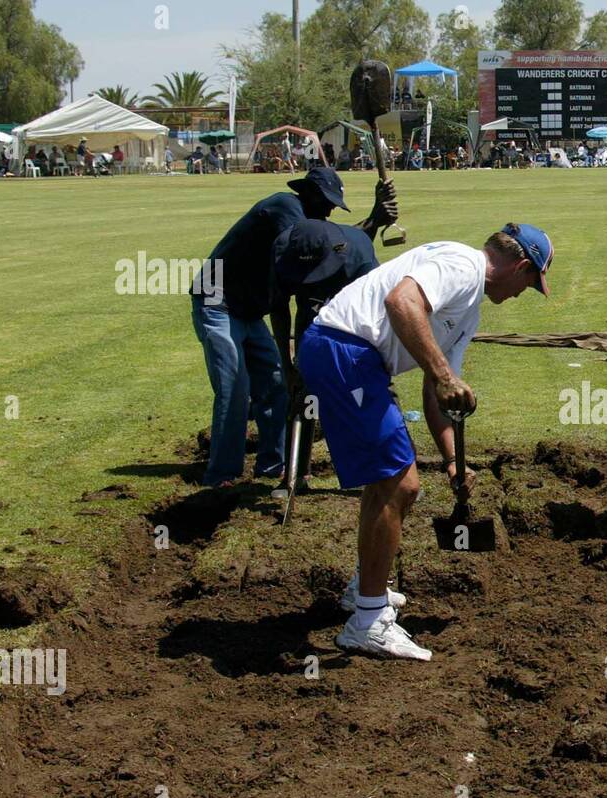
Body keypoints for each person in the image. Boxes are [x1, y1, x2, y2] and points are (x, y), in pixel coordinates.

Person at [296, 224, 553, 659]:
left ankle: (365, 588)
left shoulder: (469, 309)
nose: (523, 293)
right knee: (400, 484)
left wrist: (454, 460)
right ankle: (369, 622)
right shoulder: (463, 265)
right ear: (522, 265)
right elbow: (402, 302)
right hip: (344, 349)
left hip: (355, 357)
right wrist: (443, 374)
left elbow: (437, 398)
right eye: (530, 283)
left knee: (387, 481)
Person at [190, 167, 398, 487]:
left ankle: (273, 465)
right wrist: (373, 218)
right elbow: (317, 252)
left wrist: (374, 218)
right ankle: (222, 476)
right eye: (327, 202)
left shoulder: (306, 223)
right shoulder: (286, 210)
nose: (330, 209)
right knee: (235, 387)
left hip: (249, 310)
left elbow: (333, 247)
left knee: (274, 387)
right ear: (310, 194)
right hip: (217, 302)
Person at [269, 219, 382, 498]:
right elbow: (279, 308)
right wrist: (288, 365)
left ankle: (389, 473)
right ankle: (296, 474)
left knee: (369, 391)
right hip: (311, 314)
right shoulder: (283, 254)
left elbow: (377, 313)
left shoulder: (359, 256)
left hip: (357, 317)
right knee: (304, 393)